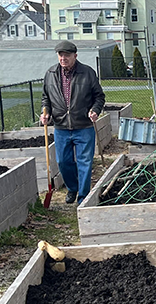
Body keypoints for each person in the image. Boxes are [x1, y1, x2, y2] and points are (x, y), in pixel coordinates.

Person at [41, 40, 105, 204]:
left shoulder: (87, 73)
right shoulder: (50, 74)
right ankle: (72, 188)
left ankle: (83, 197)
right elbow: (46, 98)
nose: (63, 58)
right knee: (63, 162)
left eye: (67, 55)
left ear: (75, 56)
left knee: (85, 162)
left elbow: (99, 96)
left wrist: (95, 110)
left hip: (83, 126)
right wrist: (46, 112)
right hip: (61, 127)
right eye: (60, 55)